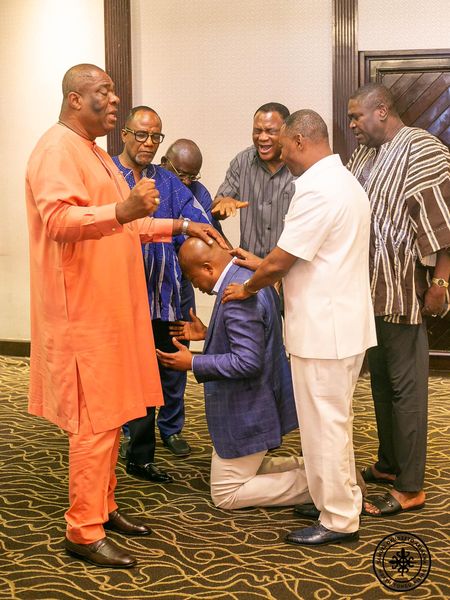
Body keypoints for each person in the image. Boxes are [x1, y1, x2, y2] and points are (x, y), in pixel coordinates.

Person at [25, 64, 224, 568]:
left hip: (112, 311)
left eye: (113, 91)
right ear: (75, 99)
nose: (113, 101)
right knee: (94, 423)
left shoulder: (94, 154)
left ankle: (104, 506)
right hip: (83, 313)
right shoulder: (55, 149)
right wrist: (123, 210)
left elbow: (128, 224)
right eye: (103, 93)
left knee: (113, 417)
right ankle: (83, 529)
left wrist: (181, 224)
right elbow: (59, 221)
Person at [222, 110, 377, 546]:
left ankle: (338, 520)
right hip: (341, 324)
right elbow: (309, 255)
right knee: (334, 422)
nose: (282, 154)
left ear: (303, 141)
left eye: (286, 145)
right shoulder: (343, 181)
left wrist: (250, 285)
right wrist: (264, 263)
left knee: (324, 426)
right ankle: (336, 496)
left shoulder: (317, 191)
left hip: (324, 331)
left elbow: (282, 260)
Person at [346, 83, 450, 517]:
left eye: (356, 117)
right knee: (382, 385)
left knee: (408, 391)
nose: (352, 125)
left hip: (405, 292)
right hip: (367, 293)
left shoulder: (422, 148)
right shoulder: (365, 155)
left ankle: (410, 487)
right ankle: (390, 465)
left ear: (382, 110)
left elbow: (443, 224)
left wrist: (441, 283)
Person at [156, 238, 312, 509]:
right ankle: (321, 468)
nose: (195, 286)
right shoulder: (247, 276)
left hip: (248, 409)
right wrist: (209, 334)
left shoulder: (236, 296)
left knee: (226, 493)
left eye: (193, 278)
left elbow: (248, 362)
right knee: (241, 473)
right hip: (258, 401)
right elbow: (255, 338)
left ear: (207, 267)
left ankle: (323, 483)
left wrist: (191, 362)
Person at [113, 109, 213, 473]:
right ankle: (124, 444)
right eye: (141, 135)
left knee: (162, 373)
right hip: (122, 299)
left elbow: (200, 222)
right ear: (125, 134)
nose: (148, 144)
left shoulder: (168, 181)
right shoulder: (109, 174)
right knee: (127, 376)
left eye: (155, 137)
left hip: (165, 298)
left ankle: (145, 455)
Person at [213, 102, 294, 258]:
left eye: (270, 131)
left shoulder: (299, 164)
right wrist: (223, 203)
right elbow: (217, 208)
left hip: (288, 269)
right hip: (249, 268)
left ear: (286, 132)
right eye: (257, 131)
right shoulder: (242, 161)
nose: (262, 138)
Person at [161, 138, 223, 235]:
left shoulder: (200, 193)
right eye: (181, 175)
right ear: (164, 163)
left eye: (192, 177)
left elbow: (213, 233)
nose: (187, 182)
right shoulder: (150, 182)